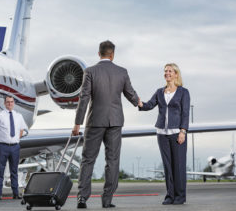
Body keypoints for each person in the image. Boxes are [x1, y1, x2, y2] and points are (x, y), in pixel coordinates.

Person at [72, 40, 139, 209]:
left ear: (99, 53)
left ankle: (82, 198)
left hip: (95, 121)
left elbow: (84, 98)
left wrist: (77, 123)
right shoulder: (122, 72)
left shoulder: (90, 72)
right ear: (112, 54)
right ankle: (107, 200)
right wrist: (140, 103)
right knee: (113, 160)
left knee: (88, 160)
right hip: (115, 122)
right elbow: (130, 94)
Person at [138, 63, 190, 205]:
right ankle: (170, 196)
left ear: (176, 74)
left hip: (177, 133)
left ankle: (180, 196)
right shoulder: (159, 91)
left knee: (178, 165)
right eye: (165, 71)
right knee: (167, 166)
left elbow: (185, 114)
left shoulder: (183, 92)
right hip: (161, 133)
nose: (167, 73)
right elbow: (149, 105)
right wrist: (140, 103)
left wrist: (183, 131)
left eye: (170, 71)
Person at [0, 95, 28, 200]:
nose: (10, 104)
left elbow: (21, 129)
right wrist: (0, 138)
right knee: (0, 170)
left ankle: (15, 193)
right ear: (4, 103)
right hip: (2, 146)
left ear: (14, 103)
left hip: (15, 147)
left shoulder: (19, 116)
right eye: (8, 102)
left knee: (14, 170)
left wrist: (16, 139)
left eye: (11, 102)